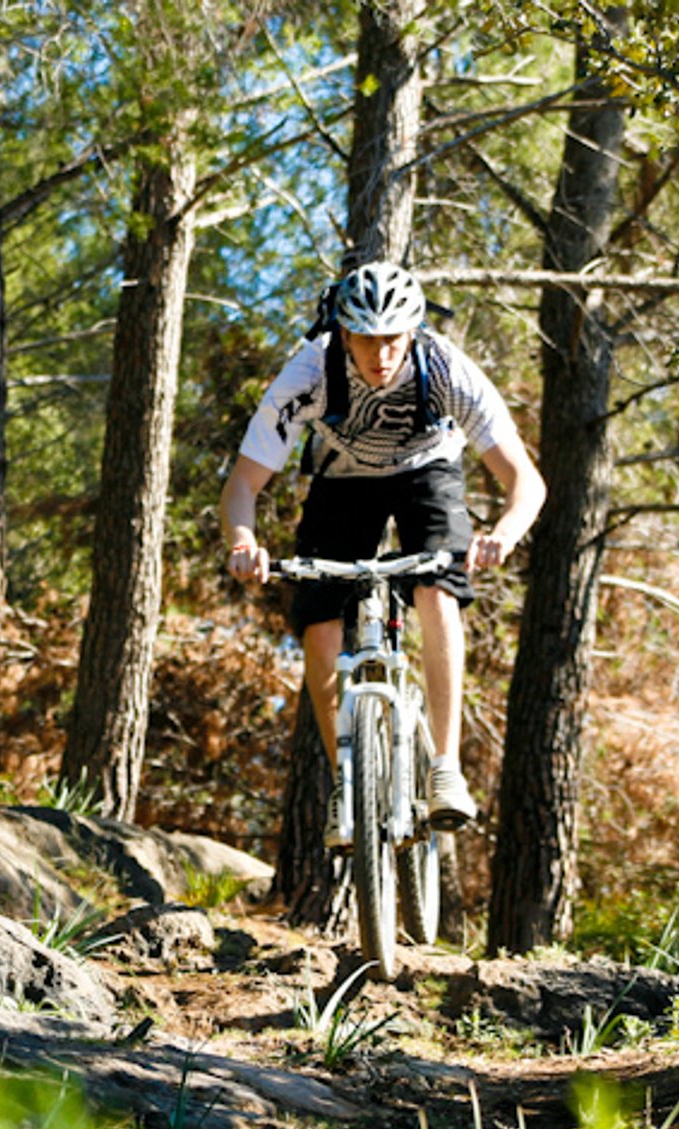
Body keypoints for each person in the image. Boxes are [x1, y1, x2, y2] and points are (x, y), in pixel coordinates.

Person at [219, 262, 545, 841]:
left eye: (394, 338)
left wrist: (505, 533)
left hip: (428, 473)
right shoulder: (309, 372)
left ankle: (444, 769)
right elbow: (243, 484)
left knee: (436, 590)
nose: (381, 353)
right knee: (320, 625)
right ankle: (347, 780)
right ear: (342, 333)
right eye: (366, 339)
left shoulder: (444, 368)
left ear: (415, 331)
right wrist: (243, 541)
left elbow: (526, 479)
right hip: (342, 483)